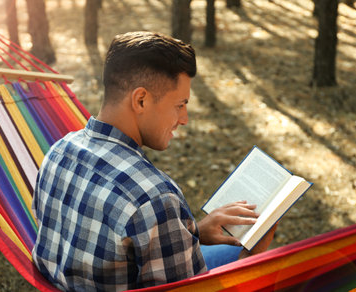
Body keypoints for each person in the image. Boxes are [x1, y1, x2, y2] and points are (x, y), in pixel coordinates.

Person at [32, 31, 276, 291]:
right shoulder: (154, 198)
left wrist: (191, 232)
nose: (185, 119)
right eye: (180, 104)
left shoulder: (59, 151)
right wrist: (254, 257)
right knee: (269, 265)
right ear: (141, 100)